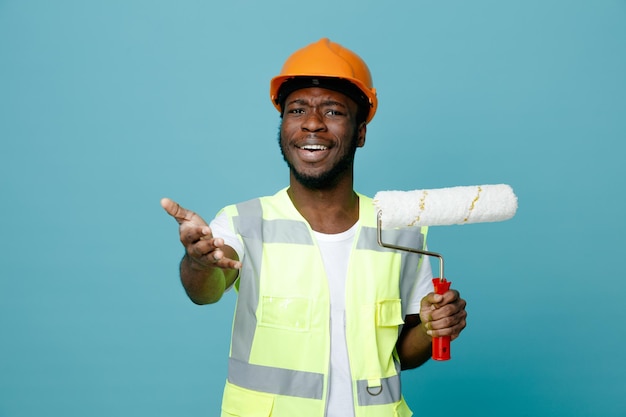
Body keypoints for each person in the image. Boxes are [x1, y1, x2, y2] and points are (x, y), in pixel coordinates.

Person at [161, 38, 467, 417]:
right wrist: (201, 263)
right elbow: (205, 291)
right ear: (283, 126)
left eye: (333, 111)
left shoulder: (401, 229)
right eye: (297, 109)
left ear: (360, 133)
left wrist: (433, 327)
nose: (311, 123)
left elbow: (400, 353)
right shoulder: (243, 222)